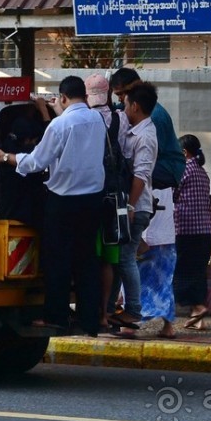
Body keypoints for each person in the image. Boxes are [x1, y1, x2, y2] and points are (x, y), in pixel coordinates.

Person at [0, 75, 106, 336]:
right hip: (92, 200)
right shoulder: (97, 119)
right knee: (87, 259)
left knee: (58, 260)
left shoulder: (60, 126)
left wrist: (4, 156)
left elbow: (35, 163)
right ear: (85, 97)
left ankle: (57, 316)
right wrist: (53, 112)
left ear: (62, 98)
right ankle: (89, 320)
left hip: (63, 201)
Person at [106, 82, 158, 332]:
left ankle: (133, 309)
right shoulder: (136, 130)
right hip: (131, 206)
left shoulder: (146, 136)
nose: (122, 108)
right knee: (119, 258)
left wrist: (129, 205)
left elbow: (141, 175)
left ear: (135, 106)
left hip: (136, 208)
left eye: (125, 104)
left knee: (126, 258)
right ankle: (111, 308)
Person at [85, 73, 129, 332]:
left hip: (90, 194)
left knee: (90, 256)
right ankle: (105, 313)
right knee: (110, 260)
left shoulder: (86, 119)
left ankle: (88, 312)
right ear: (109, 93)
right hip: (113, 197)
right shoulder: (120, 118)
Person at [109, 68, 185, 189]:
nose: (119, 99)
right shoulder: (129, 107)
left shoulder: (155, 116)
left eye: (121, 94)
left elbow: (149, 156)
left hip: (168, 168)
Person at [173, 134, 211, 330]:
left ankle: (197, 306)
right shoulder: (202, 173)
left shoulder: (182, 170)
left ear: (183, 152)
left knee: (181, 272)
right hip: (205, 232)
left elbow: (172, 194)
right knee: (198, 272)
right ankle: (199, 318)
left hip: (186, 230)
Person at [138, 187, 177, 339]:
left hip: (146, 231)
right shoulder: (167, 172)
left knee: (135, 277)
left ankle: (131, 322)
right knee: (165, 281)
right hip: (165, 233)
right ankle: (168, 326)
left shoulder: (141, 167)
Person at [0, 116, 46, 226]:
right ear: (28, 140)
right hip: (25, 216)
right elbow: (37, 162)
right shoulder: (25, 156)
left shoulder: (4, 148)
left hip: (4, 215)